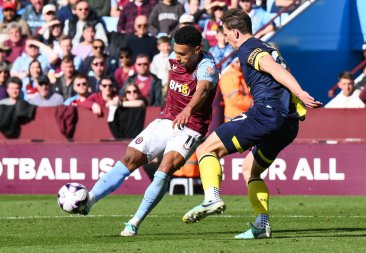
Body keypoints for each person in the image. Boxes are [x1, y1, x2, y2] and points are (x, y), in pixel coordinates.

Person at [182, 9, 322, 239]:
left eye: (226, 34)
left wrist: (300, 92)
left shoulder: (249, 48)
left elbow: (274, 69)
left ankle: (211, 198)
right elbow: (278, 70)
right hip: (288, 124)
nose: (225, 39)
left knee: (206, 149)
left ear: (235, 32)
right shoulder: (264, 45)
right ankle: (262, 224)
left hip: (267, 114)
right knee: (250, 169)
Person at [71, 26, 218, 237]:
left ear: (198, 49)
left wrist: (188, 109)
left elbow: (203, 88)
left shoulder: (207, 66)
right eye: (175, 52)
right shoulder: (176, 59)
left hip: (191, 125)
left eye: (182, 53)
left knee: (164, 168)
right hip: (167, 119)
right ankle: (90, 200)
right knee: (130, 157)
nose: (177, 57)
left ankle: (134, 222)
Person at [219, 57, 252, 122]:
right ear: (232, 63)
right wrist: (252, 104)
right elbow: (235, 99)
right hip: (235, 118)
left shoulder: (241, 74)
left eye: (241, 61)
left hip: (243, 116)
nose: (239, 64)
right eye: (236, 62)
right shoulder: (228, 77)